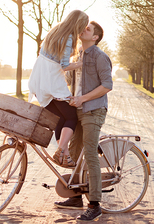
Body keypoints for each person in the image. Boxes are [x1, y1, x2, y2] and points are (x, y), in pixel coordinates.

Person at [54, 21, 113, 222]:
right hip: (78, 110)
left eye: (88, 29)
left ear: (95, 37)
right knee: (74, 152)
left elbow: (107, 85)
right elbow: (72, 82)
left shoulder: (100, 56)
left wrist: (83, 99)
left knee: (89, 153)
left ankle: (95, 204)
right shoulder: (78, 55)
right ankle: (76, 196)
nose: (83, 30)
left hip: (93, 111)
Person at [28, 10, 89, 167]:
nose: (83, 30)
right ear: (78, 24)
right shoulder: (69, 37)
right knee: (72, 117)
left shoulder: (54, 30)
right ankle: (61, 150)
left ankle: (64, 155)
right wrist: (82, 63)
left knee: (60, 119)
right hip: (52, 80)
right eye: (83, 26)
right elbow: (65, 65)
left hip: (39, 77)